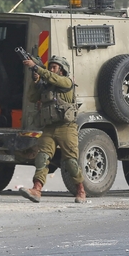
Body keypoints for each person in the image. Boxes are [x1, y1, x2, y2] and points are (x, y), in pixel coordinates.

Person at [18, 55, 85, 204]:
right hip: (49, 128)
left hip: (66, 128)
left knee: (70, 162)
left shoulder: (66, 82)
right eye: (50, 67)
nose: (51, 69)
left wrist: (36, 67)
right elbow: (32, 97)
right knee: (42, 157)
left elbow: (54, 79)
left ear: (62, 70)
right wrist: (35, 80)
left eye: (54, 67)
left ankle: (80, 189)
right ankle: (36, 190)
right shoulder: (46, 85)